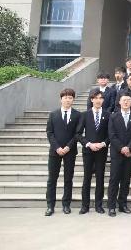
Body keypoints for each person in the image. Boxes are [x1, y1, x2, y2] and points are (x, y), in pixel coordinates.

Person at [45, 88, 81, 216]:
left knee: (68, 179)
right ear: (61, 99)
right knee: (52, 179)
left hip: (70, 151)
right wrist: (57, 147)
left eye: (70, 97)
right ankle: (50, 206)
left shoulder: (78, 115)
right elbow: (49, 133)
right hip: (55, 151)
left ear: (73, 99)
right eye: (65, 97)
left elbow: (77, 134)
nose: (67, 100)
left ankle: (66, 204)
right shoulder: (53, 114)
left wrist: (68, 147)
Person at [107, 93, 131, 217]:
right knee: (114, 180)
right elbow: (112, 135)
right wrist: (121, 148)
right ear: (119, 102)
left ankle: (123, 204)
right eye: (124, 100)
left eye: (128, 100)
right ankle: (111, 206)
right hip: (117, 153)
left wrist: (129, 147)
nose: (126, 102)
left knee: (126, 180)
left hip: (130, 153)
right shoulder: (113, 116)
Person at [76, 89, 110, 214]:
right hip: (88, 151)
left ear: (103, 100)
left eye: (100, 98)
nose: (98, 100)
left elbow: (110, 134)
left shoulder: (108, 115)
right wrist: (89, 144)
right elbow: (78, 134)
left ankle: (98, 205)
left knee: (100, 178)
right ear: (91, 100)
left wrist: (103, 143)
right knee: (87, 178)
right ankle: (85, 205)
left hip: (101, 151)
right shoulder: (85, 115)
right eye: (95, 98)